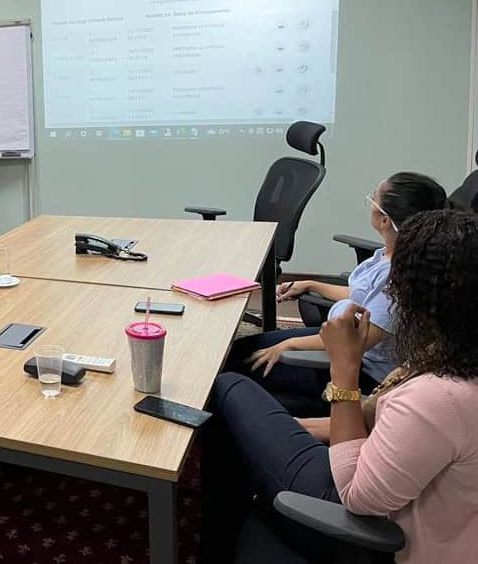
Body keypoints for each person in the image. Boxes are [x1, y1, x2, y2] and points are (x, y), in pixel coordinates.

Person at [200, 209, 478, 564]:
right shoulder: (457, 354)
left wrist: (343, 369)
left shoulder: (439, 396)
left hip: (360, 528)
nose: (392, 290)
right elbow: (391, 429)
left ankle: (215, 545)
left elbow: (356, 496)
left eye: (399, 282)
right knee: (240, 422)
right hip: (393, 485)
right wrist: (293, 429)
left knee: (227, 387)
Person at [221, 172, 446, 415]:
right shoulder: (389, 253)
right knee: (237, 350)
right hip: (335, 338)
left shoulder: (400, 275)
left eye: (373, 199)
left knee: (232, 369)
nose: (369, 202)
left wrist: (290, 343)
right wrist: (312, 285)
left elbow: (355, 340)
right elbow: (361, 297)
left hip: (359, 369)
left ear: (384, 220)